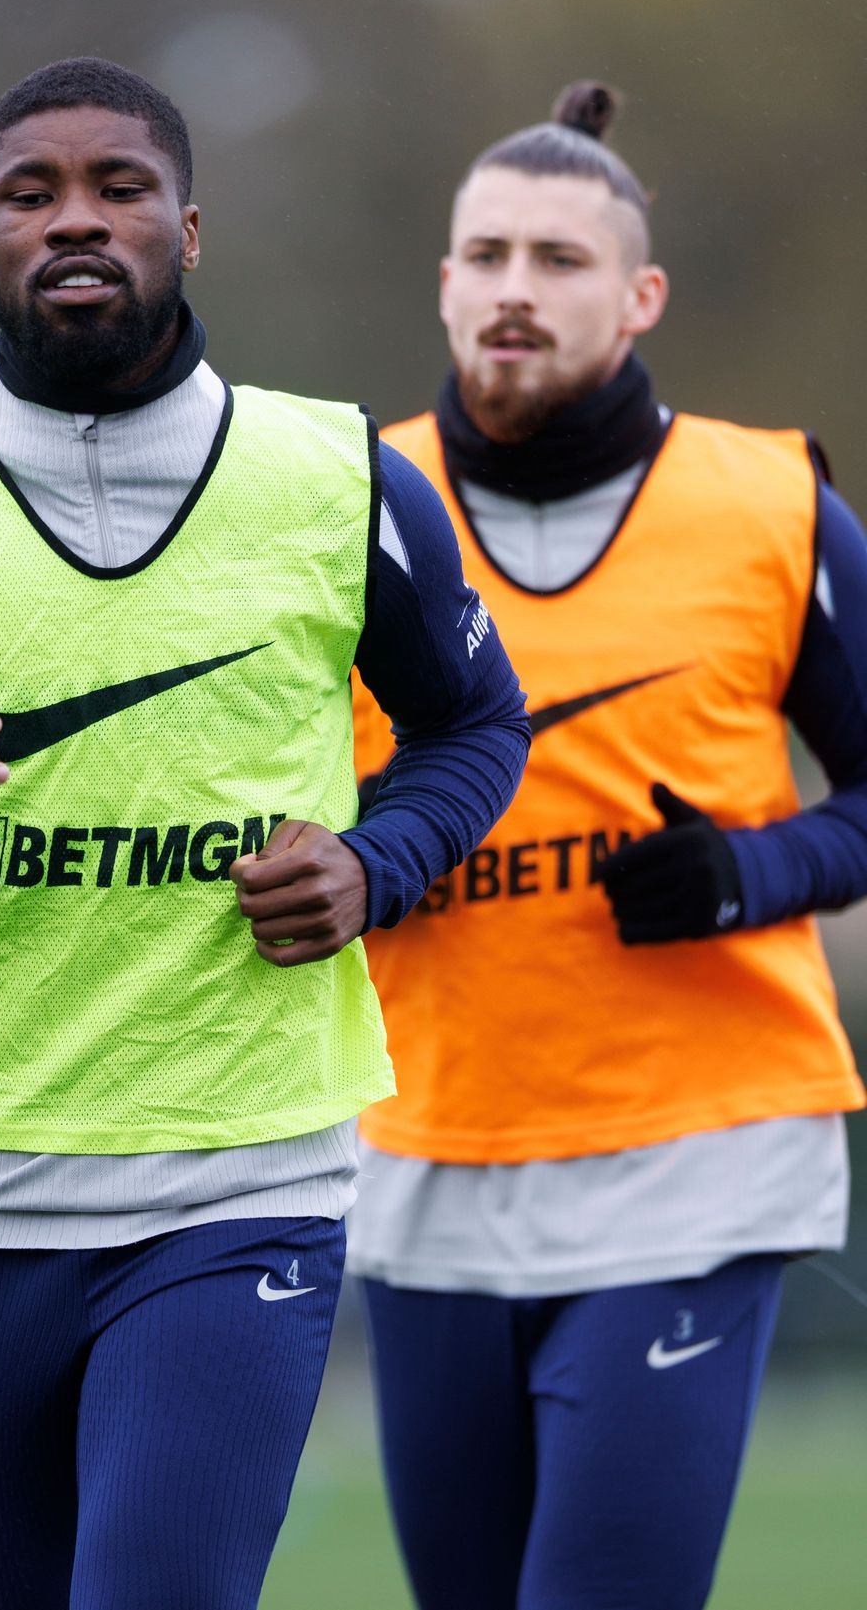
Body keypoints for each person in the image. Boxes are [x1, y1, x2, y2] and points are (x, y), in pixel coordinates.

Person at [0, 57, 528, 1610]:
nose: (75, 219)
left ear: (190, 229)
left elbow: (480, 727)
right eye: (32, 194)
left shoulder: (340, 473)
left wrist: (376, 863)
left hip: (239, 1183)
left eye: (119, 188)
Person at [349, 81, 867, 1610]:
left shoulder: (774, 505)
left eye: (559, 260)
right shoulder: (342, 507)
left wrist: (749, 871)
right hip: (425, 1152)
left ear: (640, 296)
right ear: (443, 280)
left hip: (696, 1158)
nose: (516, 288)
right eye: (488, 253)